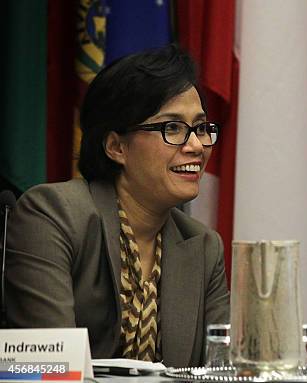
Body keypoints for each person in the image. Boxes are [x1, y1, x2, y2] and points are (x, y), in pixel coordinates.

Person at [5, 45, 229, 367]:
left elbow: (222, 369)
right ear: (116, 147)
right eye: (173, 128)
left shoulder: (204, 247)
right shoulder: (53, 214)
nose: (196, 145)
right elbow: (47, 368)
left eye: (201, 128)